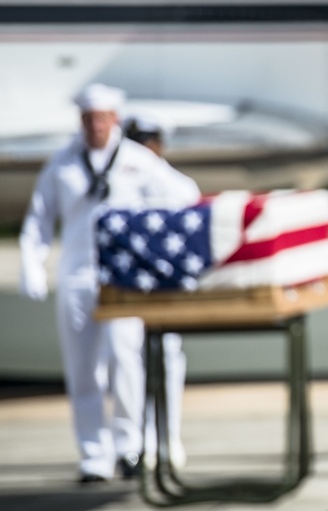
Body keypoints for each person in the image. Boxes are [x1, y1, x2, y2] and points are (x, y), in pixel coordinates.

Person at [19, 84, 200, 483]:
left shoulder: (137, 160)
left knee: (125, 360)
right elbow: (40, 219)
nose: (95, 126)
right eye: (88, 119)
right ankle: (93, 456)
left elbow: (184, 194)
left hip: (124, 277)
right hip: (77, 274)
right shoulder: (62, 163)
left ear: (115, 119)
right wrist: (33, 262)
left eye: (102, 118)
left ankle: (128, 445)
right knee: (82, 369)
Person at [122, 111, 201, 468]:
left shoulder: (178, 186)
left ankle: (166, 439)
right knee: (120, 366)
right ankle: (130, 444)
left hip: (162, 292)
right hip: (121, 291)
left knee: (165, 362)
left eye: (146, 143)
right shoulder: (113, 180)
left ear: (159, 145)